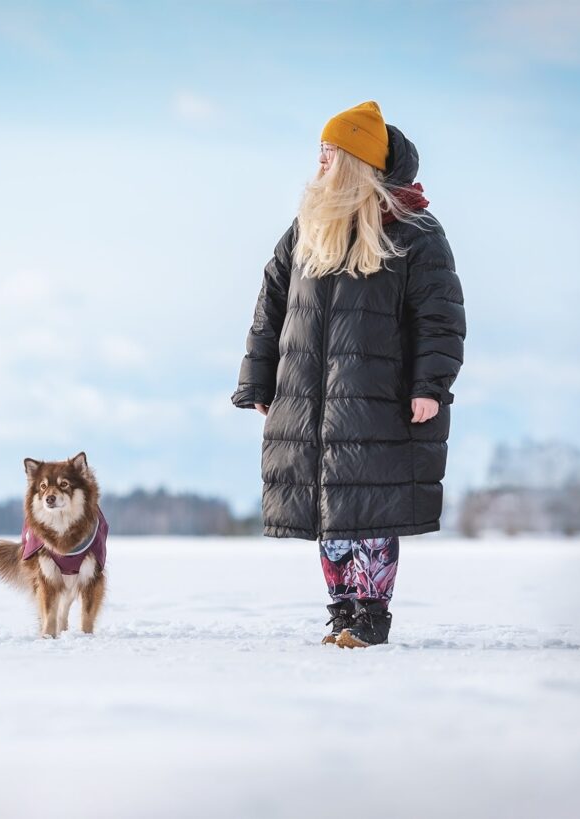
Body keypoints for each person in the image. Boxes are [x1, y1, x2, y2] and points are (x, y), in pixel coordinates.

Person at [232, 101, 465, 648]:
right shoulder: (305, 230)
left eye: (332, 152)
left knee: (372, 509)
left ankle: (370, 616)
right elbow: (271, 308)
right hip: (310, 397)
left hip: (380, 396)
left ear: (357, 162)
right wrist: (259, 381)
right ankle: (341, 614)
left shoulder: (415, 232)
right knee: (328, 509)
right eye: (321, 150)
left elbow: (438, 317)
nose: (321, 162)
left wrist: (431, 387)